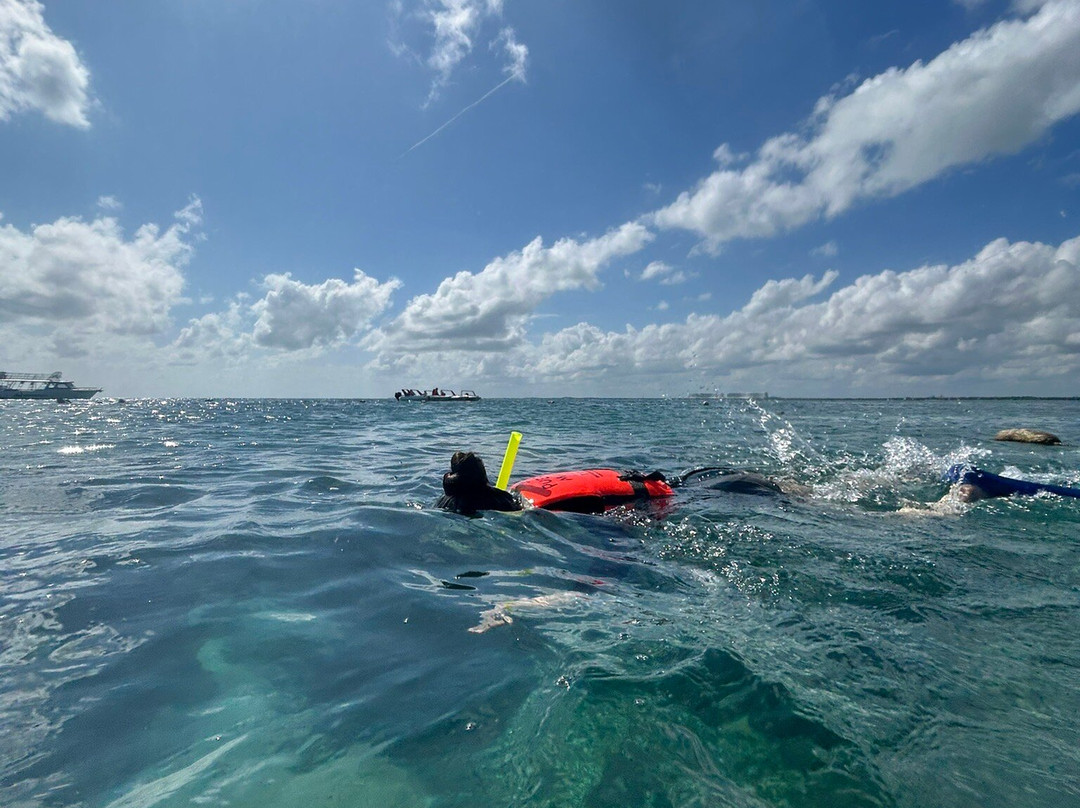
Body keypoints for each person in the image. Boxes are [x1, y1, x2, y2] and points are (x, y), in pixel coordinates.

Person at [435, 452, 792, 516]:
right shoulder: (518, 493)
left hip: (681, 494)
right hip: (674, 481)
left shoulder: (552, 511)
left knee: (784, 491)